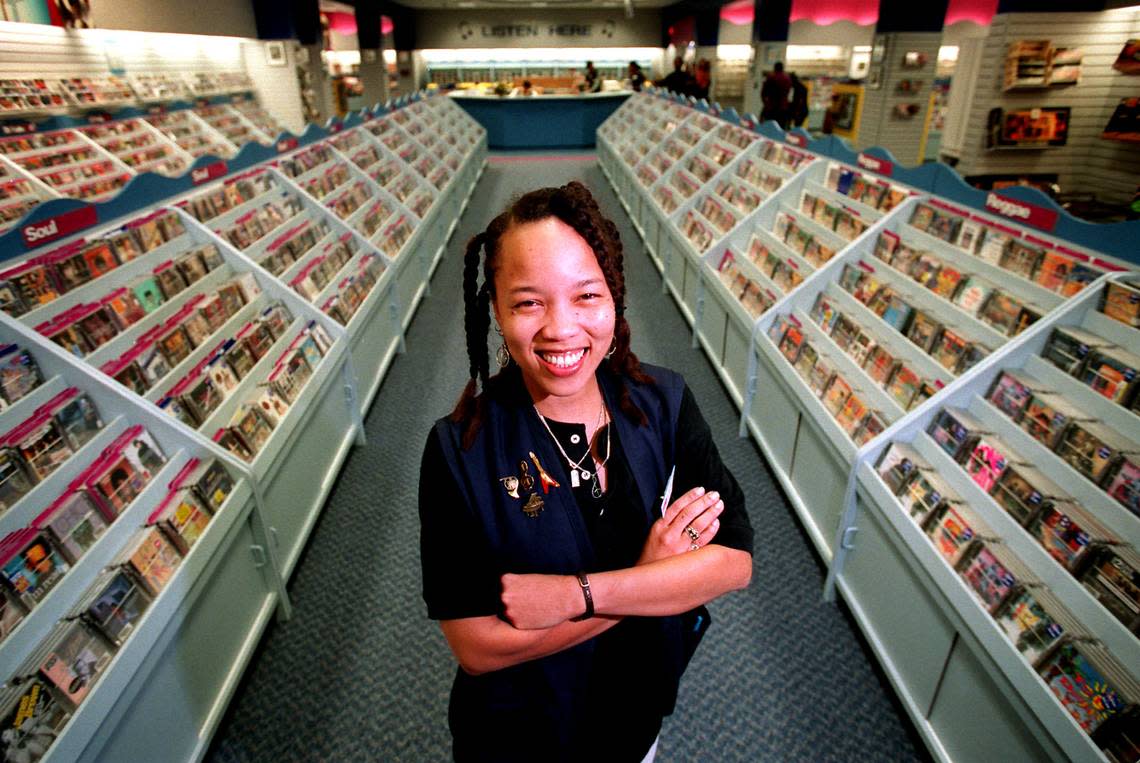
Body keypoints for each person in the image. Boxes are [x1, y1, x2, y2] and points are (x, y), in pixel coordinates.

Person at [419, 182, 754, 763]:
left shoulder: (663, 404)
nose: (562, 329)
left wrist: (577, 595)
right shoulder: (460, 449)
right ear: (495, 309)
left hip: (635, 721)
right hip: (518, 737)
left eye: (587, 296)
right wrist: (651, 580)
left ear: (615, 298)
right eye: (528, 302)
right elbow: (478, 647)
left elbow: (732, 565)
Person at [760, 61, 792, 127]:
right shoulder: (787, 78)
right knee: (780, 128)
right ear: (782, 68)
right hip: (783, 109)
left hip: (771, 107)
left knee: (768, 128)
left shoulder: (771, 77)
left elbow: (763, 93)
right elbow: (788, 92)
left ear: (775, 68)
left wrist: (766, 103)